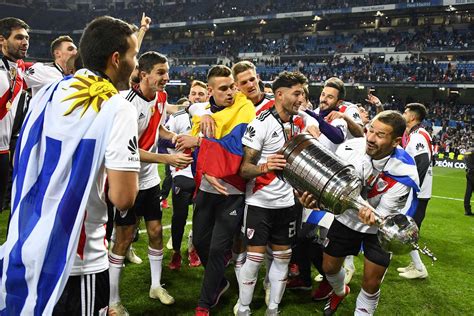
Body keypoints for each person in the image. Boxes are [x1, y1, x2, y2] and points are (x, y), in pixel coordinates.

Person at [0, 16, 141, 315]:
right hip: (80, 259)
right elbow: (123, 197)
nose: (135, 63)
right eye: (133, 55)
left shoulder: (50, 92)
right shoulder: (118, 107)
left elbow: (22, 155)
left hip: (33, 243)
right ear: (116, 59)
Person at [300, 110, 419, 315]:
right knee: (329, 268)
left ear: (396, 141)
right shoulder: (349, 148)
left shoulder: (404, 171)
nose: (370, 138)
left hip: (380, 229)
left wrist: (372, 217)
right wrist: (315, 200)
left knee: (371, 283)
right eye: (370, 130)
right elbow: (327, 186)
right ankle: (339, 291)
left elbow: (381, 215)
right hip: (346, 219)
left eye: (380, 135)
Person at [108, 51, 193, 314]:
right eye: (160, 72)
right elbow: (129, 148)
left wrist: (175, 137)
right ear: (143, 74)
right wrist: (167, 159)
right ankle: (113, 301)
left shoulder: (162, 97)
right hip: (126, 179)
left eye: (167, 72)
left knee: (156, 232)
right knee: (123, 240)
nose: (166, 77)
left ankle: (156, 286)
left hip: (149, 180)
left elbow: (157, 131)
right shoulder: (127, 104)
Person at [176, 65, 255, 316]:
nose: (231, 92)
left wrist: (200, 140)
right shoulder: (205, 111)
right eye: (224, 88)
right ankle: (220, 282)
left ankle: (203, 304)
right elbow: (196, 148)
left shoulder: (244, 108)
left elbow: (234, 149)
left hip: (232, 190)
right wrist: (199, 111)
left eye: (233, 86)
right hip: (208, 187)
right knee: (200, 242)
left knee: (219, 248)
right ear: (211, 91)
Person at [236, 71, 308, 316]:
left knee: (283, 258)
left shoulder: (298, 122)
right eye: (297, 93)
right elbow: (244, 169)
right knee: (254, 260)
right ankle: (244, 308)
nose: (301, 98)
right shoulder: (261, 123)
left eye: (302, 93)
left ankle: (273, 308)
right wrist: (266, 166)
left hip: (287, 203)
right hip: (260, 203)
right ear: (280, 94)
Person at [166, 80, 209, 270]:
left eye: (201, 94)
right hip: (183, 172)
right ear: (189, 96)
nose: (197, 97)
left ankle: (193, 248)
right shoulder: (177, 117)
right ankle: (176, 252)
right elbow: (164, 141)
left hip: (205, 175)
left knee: (201, 218)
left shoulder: (213, 117)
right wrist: (178, 149)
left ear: (207, 96)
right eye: (194, 93)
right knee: (179, 216)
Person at [398, 103, 433, 279]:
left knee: (407, 230)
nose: (403, 114)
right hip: (420, 192)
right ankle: (416, 265)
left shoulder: (418, 135)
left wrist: (412, 185)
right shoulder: (417, 134)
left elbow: (422, 161)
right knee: (407, 229)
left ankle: (419, 269)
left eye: (405, 112)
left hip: (418, 193)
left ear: (412, 117)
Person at [0, 17, 29, 214]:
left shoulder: (21, 70)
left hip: (3, 152)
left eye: (27, 38)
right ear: (2, 40)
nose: (25, 42)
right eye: (19, 37)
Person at [464, 145, 474, 216]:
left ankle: (467, 210)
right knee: (468, 193)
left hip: (469, 173)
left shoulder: (468, 150)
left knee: (468, 192)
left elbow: (465, 159)